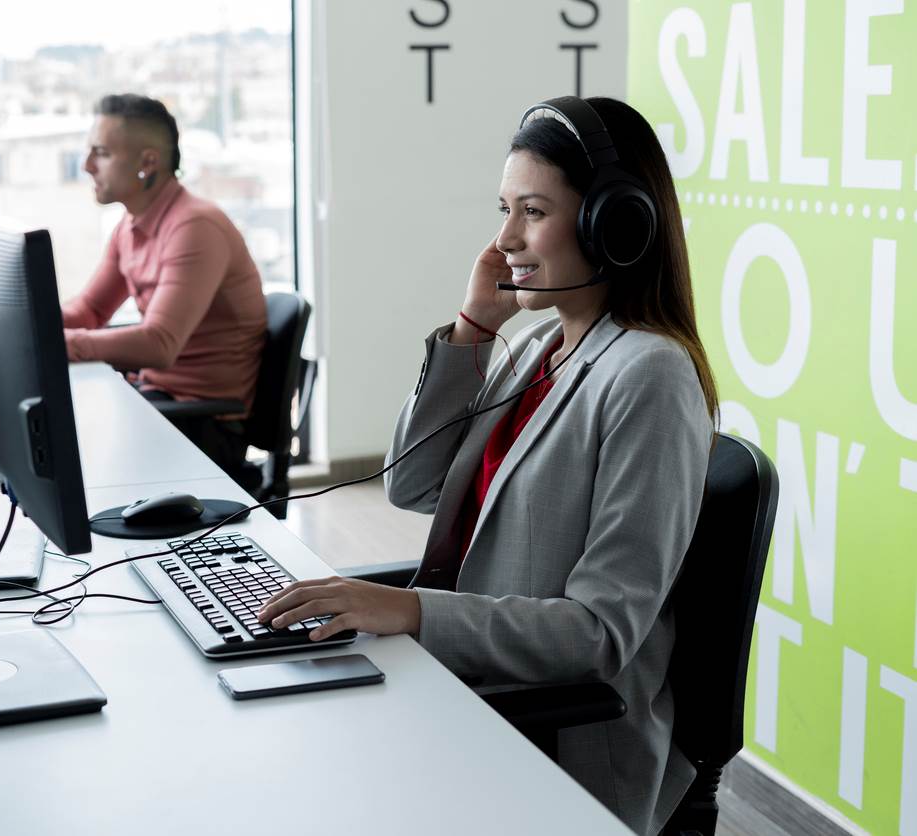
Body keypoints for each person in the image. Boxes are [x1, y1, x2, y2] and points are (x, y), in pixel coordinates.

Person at [257, 96, 717, 836]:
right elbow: (411, 483)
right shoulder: (540, 351)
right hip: (476, 687)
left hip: (553, 736)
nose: (503, 239)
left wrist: (408, 609)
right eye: (503, 209)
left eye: (531, 211)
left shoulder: (647, 375)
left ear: (616, 226)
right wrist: (473, 330)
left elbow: (600, 634)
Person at [61, 93, 267, 475]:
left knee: (71, 451)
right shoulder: (131, 226)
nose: (87, 166)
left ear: (147, 163)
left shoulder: (194, 227)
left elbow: (159, 345)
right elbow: (89, 310)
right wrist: (23, 319)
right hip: (160, 402)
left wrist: (60, 344)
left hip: (204, 425)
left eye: (102, 153)